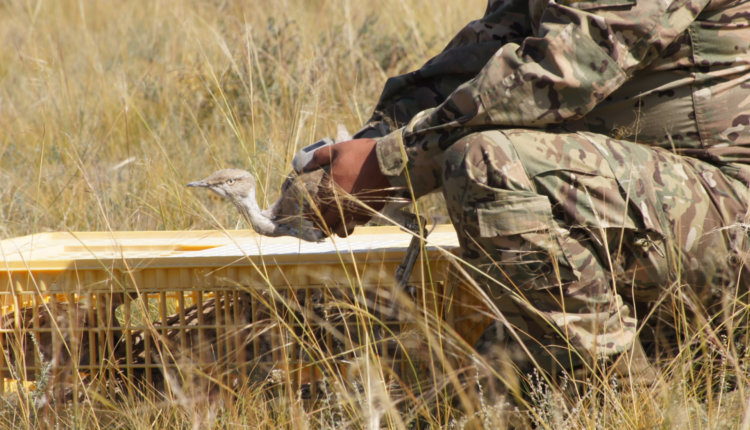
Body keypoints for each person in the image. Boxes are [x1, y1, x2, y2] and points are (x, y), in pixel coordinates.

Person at [304, 0, 750, 387]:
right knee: (469, 403)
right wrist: (369, 141)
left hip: (727, 217)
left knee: (488, 163)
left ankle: (624, 401)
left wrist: (387, 162)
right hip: (639, 222)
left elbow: (566, 69)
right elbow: (484, 53)